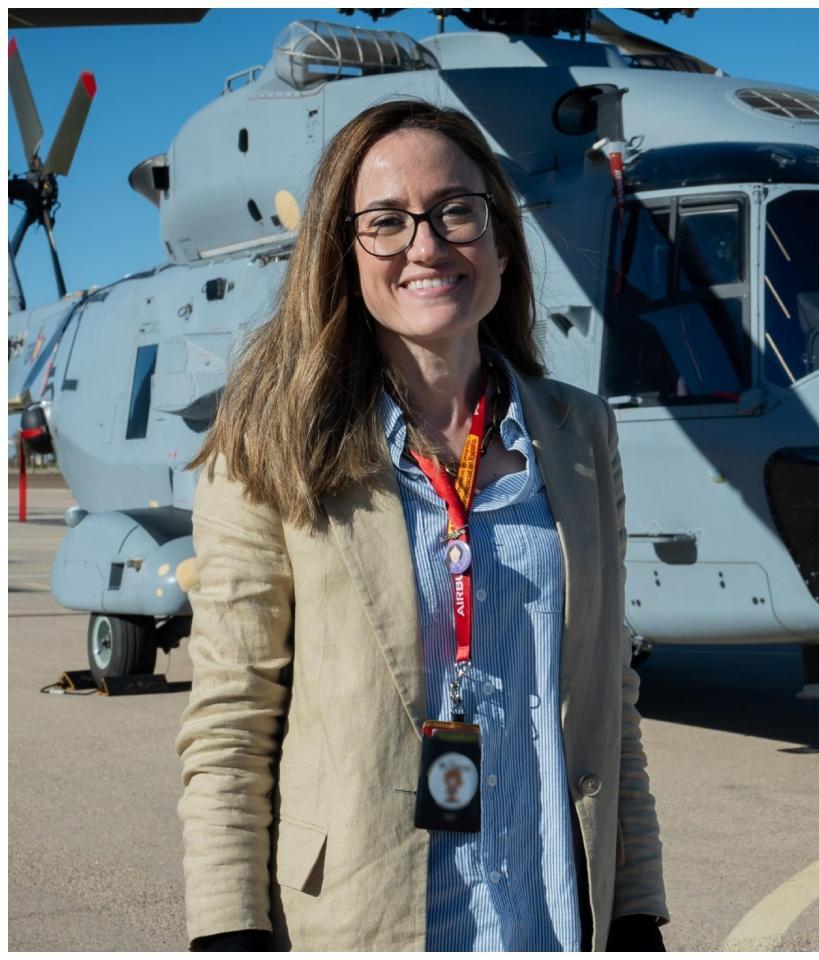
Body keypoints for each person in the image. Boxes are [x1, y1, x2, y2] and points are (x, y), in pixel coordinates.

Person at [176, 100, 667, 951]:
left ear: (502, 244)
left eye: (456, 212)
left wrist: (633, 908)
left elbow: (609, 696)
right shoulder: (267, 447)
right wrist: (229, 932)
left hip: (550, 914)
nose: (427, 245)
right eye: (386, 222)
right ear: (345, 255)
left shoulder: (582, 435)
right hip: (368, 921)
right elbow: (231, 721)